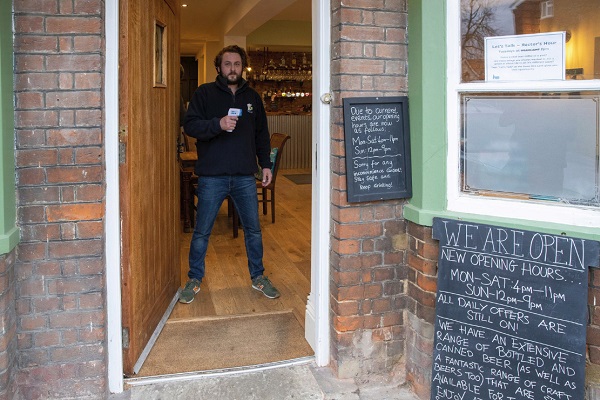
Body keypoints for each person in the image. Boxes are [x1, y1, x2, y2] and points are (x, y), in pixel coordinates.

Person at [179, 45, 280, 304]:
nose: (232, 68)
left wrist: (265, 164)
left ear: (242, 67)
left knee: (254, 230)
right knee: (202, 231)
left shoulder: (253, 98)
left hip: (245, 176)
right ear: (219, 68)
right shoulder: (204, 94)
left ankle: (258, 276)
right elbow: (190, 126)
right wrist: (218, 124)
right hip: (212, 176)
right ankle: (194, 278)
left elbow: (261, 135)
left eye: (237, 64)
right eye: (227, 64)